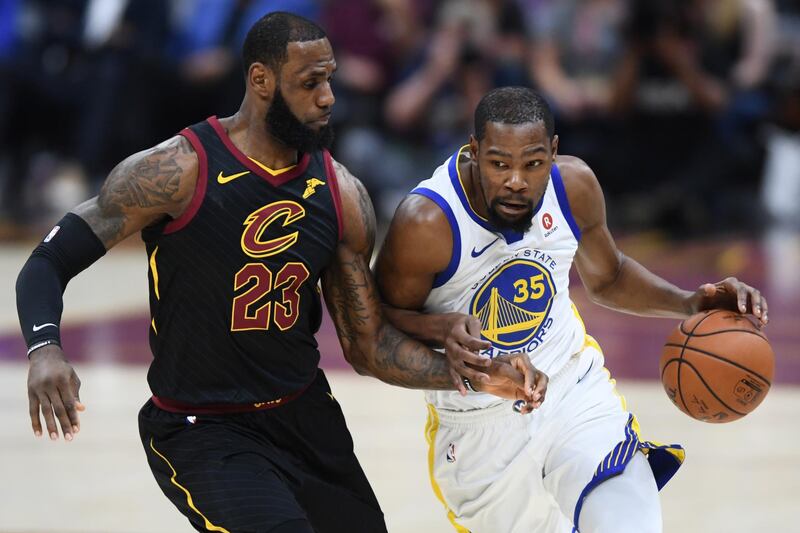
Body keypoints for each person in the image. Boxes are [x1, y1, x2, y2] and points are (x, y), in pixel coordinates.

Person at [15, 14, 545, 533]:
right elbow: (47, 262)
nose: (328, 97)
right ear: (261, 80)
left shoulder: (342, 194)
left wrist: (478, 376)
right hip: (204, 429)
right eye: (310, 82)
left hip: (305, 420)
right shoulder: (176, 170)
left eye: (330, 78)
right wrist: (44, 349)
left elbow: (368, 345)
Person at [375, 86, 769, 533]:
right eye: (499, 164)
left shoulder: (573, 186)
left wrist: (688, 302)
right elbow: (375, 327)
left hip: (572, 389)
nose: (516, 181)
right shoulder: (427, 222)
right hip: (479, 427)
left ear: (554, 152)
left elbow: (610, 277)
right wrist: (441, 329)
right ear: (474, 150)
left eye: (533, 163)